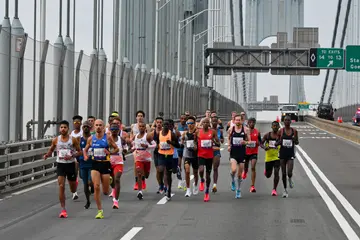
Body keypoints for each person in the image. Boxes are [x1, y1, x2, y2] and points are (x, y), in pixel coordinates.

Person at [43, 120, 82, 218]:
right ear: (59, 129)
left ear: (68, 129)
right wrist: (47, 155)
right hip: (61, 164)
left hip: (70, 164)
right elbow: (52, 149)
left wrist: (72, 155)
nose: (63, 129)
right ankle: (63, 209)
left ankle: (74, 185)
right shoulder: (56, 140)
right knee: (61, 186)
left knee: (73, 188)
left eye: (65, 127)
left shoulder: (73, 140)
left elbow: (79, 152)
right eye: (61, 127)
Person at [83, 119, 119, 219]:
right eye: (96, 125)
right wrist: (85, 156)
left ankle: (109, 180)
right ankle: (100, 211)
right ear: (94, 127)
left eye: (100, 125)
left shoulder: (108, 138)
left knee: (106, 192)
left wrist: (110, 153)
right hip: (95, 164)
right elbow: (85, 150)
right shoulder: (91, 138)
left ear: (103, 127)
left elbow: (117, 149)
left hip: (105, 164)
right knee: (96, 186)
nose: (98, 127)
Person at [195, 117, 220, 202]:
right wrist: (195, 146)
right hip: (201, 155)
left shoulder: (212, 132)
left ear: (209, 124)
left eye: (207, 122)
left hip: (209, 156)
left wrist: (214, 141)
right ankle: (202, 180)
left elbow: (218, 143)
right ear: (202, 124)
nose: (205, 124)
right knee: (201, 170)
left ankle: (207, 191)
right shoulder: (198, 132)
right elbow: (195, 141)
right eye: (204, 122)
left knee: (208, 175)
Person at [131, 122, 156, 200]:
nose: (141, 128)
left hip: (146, 159)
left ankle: (144, 178)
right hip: (138, 157)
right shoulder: (136, 136)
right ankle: (140, 191)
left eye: (143, 126)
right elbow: (134, 145)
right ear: (138, 127)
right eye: (140, 126)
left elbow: (154, 145)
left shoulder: (147, 136)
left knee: (146, 175)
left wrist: (147, 146)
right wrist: (132, 148)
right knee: (139, 173)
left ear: (145, 128)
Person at [228, 114, 251, 199]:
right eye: (236, 120)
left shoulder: (246, 130)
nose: (238, 121)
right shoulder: (231, 129)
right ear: (234, 121)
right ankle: (232, 181)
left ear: (242, 121)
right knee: (234, 170)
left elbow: (250, 141)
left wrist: (245, 142)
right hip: (234, 153)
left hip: (242, 153)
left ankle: (238, 190)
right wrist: (229, 146)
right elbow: (229, 138)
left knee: (239, 174)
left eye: (239, 120)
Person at [157, 119, 181, 200]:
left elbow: (178, 145)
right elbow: (157, 142)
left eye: (168, 125)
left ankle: (169, 190)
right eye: (165, 125)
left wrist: (171, 143)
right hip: (161, 154)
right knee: (160, 170)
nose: (166, 126)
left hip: (169, 155)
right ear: (163, 126)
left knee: (168, 174)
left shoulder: (172, 134)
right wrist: (157, 147)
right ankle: (161, 184)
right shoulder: (159, 133)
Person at [278, 116, 299, 198]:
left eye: (288, 120)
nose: (287, 121)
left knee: (289, 172)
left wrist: (294, 140)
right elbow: (277, 141)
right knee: (283, 173)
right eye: (285, 120)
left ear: (290, 122)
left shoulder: (294, 131)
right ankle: (285, 190)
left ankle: (290, 179)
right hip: (282, 153)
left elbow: (297, 142)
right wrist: (278, 142)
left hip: (290, 153)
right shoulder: (281, 131)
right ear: (283, 122)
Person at [260, 121, 281, 196]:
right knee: (268, 175)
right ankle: (266, 171)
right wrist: (264, 147)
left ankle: (274, 189)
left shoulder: (280, 135)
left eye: (276, 126)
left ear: (279, 127)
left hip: (277, 157)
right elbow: (261, 143)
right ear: (271, 127)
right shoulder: (267, 135)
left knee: (276, 172)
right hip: (269, 157)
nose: (275, 127)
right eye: (274, 126)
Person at [181, 116, 199, 197]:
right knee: (187, 171)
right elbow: (182, 142)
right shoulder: (185, 133)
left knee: (195, 172)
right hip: (187, 154)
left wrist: (196, 143)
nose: (190, 125)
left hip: (195, 155)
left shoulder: (197, 132)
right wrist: (182, 141)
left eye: (191, 123)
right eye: (188, 123)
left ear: (194, 124)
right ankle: (188, 189)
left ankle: (195, 185)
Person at [243, 118, 261, 192]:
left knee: (253, 167)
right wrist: (247, 143)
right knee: (246, 166)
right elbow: (242, 141)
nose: (252, 124)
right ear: (248, 123)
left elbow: (260, 142)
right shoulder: (245, 132)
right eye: (250, 122)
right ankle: (245, 171)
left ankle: (252, 186)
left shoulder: (257, 132)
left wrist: (258, 143)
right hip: (246, 152)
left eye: (253, 122)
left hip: (254, 152)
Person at [78, 121, 94, 209]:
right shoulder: (79, 140)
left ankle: (93, 186)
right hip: (83, 164)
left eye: (87, 126)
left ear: (90, 128)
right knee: (85, 184)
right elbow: (77, 150)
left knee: (89, 182)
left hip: (92, 164)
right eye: (84, 126)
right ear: (82, 128)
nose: (86, 128)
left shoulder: (93, 139)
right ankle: (88, 201)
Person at [211, 116, 224, 193]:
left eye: (216, 121)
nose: (214, 123)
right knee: (208, 170)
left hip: (216, 151)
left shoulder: (220, 131)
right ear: (211, 122)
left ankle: (214, 185)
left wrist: (219, 140)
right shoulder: (208, 130)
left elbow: (222, 141)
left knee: (215, 168)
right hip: (208, 152)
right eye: (213, 121)